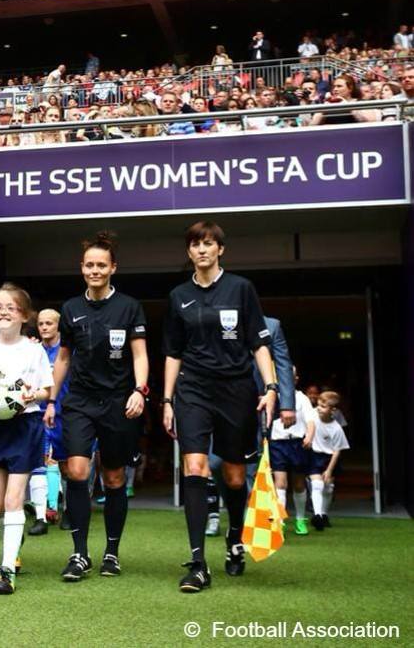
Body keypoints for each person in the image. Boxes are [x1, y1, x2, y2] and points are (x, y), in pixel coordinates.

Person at [163, 221, 277, 593]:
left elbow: (260, 344)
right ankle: (198, 563)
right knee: (195, 467)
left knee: (233, 476)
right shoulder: (179, 295)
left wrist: (271, 387)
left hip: (236, 390)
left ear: (220, 250)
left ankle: (233, 538)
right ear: (189, 251)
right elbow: (173, 352)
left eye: (208, 244)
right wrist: (166, 400)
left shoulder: (241, 289)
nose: (202, 250)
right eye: (195, 244)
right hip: (193, 390)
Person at [50, 231, 149, 581]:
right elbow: (63, 358)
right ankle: (79, 554)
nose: (95, 270)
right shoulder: (71, 309)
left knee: (114, 476)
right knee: (76, 471)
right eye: (89, 265)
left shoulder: (129, 307)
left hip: (118, 402)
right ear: (82, 268)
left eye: (101, 265)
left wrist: (140, 390)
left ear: (113, 268)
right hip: (79, 401)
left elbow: (140, 353)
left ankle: (111, 552)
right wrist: (51, 398)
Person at [0, 284, 54, 594]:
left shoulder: (34, 350)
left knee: (13, 499)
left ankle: (5, 570)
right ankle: (13, 538)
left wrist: (35, 394)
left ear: (24, 315)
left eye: (10, 307)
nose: (3, 311)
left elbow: (47, 389)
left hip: (24, 426)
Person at [27, 308, 70, 535]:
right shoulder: (32, 351)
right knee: (38, 463)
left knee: (66, 464)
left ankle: (69, 509)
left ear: (57, 326)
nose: (44, 327)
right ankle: (41, 517)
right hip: (38, 413)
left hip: (64, 413)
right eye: (41, 323)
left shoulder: (67, 350)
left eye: (49, 324)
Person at [271, 367, 315, 535]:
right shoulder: (273, 397)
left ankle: (300, 519)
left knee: (298, 484)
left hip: (297, 444)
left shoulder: (302, 398)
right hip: (278, 444)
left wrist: (309, 437)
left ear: (296, 378)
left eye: (291, 375)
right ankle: (279, 521)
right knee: (280, 483)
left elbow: (311, 421)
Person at [308, 391, 349, 530]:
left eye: (323, 406)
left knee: (328, 489)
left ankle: (324, 514)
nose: (319, 408)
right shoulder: (312, 414)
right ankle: (317, 516)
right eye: (319, 405)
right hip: (314, 455)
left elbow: (337, 451)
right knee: (317, 485)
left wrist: (329, 470)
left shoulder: (336, 429)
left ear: (333, 410)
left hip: (329, 458)